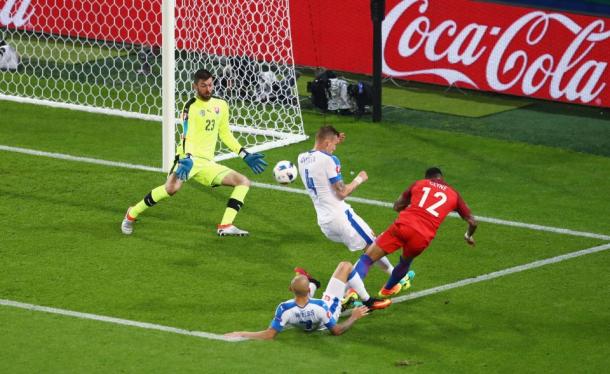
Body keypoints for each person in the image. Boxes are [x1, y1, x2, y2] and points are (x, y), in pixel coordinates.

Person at [121, 68, 268, 236]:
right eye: (203, 85)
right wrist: (188, 157)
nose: (208, 89)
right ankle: (132, 213)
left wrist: (244, 154)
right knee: (171, 189)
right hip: (187, 159)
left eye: (210, 85)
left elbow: (225, 133)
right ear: (195, 86)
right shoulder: (190, 107)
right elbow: (186, 136)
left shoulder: (221, 105)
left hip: (207, 163)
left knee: (243, 182)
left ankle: (226, 225)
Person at [296, 125, 413, 293]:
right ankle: (343, 294)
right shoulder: (329, 160)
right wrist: (359, 179)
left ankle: (396, 278)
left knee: (371, 243)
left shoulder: (301, 158)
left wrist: (334, 141)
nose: (335, 148)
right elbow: (342, 192)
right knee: (373, 249)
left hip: (325, 222)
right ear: (328, 142)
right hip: (341, 217)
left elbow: (321, 156)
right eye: (334, 145)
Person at [347, 167, 478, 301]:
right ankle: (387, 290)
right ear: (441, 177)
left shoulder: (420, 184)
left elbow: (397, 206)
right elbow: (473, 222)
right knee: (405, 262)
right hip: (423, 237)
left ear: (428, 178)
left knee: (367, 259)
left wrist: (409, 209)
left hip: (404, 226)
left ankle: (352, 292)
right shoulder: (454, 195)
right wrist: (468, 236)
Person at [224, 262, 390, 340]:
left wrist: (242, 333)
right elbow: (337, 330)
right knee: (345, 266)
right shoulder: (320, 305)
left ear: (290, 290)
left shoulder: (284, 309)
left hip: (308, 316)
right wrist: (353, 317)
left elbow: (269, 334)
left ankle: (312, 282)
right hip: (329, 311)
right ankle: (368, 301)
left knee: (312, 292)